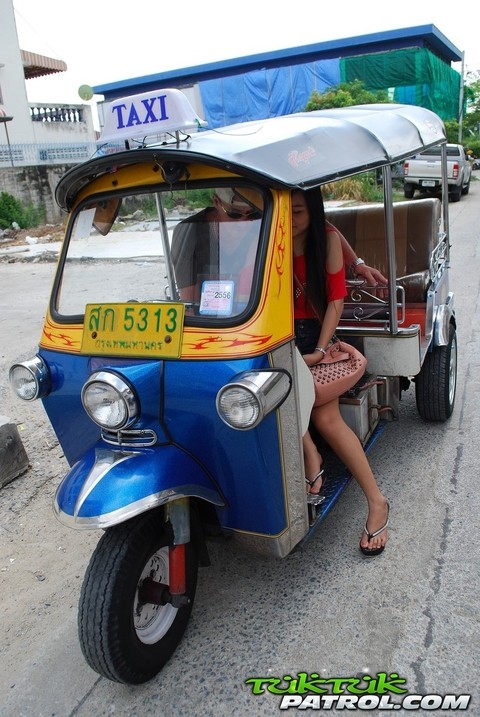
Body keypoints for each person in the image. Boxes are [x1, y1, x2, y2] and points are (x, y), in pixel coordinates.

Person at [292, 187, 389, 557]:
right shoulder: (275, 236)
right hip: (280, 333)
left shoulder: (326, 238)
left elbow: (335, 302)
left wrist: (318, 349)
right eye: (286, 211)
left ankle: (376, 501)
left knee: (326, 416)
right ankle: (311, 456)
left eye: (298, 212)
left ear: (313, 213)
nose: (291, 219)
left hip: (319, 332)